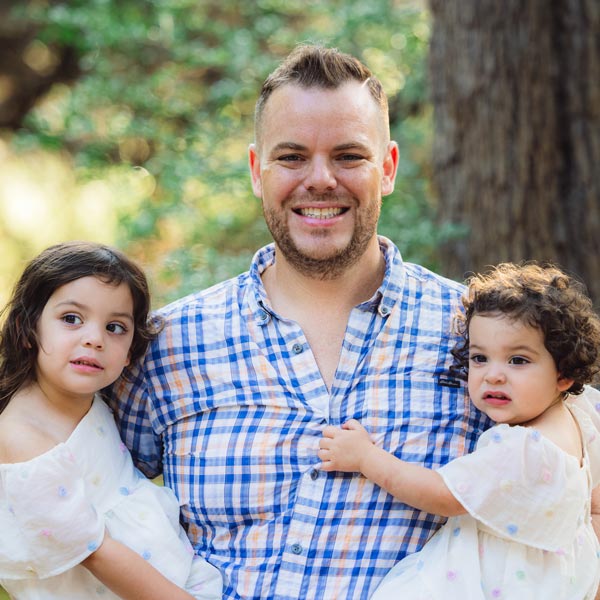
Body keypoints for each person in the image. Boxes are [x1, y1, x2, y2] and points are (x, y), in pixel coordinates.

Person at [106, 44, 600, 599]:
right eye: (292, 157)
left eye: (348, 156)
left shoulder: (487, 337)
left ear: (386, 168)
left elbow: (584, 500)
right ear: (256, 170)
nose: (320, 180)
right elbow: (72, 483)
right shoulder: (169, 344)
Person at [319, 262, 600, 599]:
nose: (493, 375)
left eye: (518, 361)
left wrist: (366, 458)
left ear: (564, 373)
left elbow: (441, 495)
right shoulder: (584, 415)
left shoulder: (522, 448)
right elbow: (594, 503)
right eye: (480, 358)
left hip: (487, 583)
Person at [0, 242, 222, 600]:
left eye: (115, 327)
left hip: (168, 572)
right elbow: (96, 553)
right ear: (29, 329)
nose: (94, 339)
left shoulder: (96, 398)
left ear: (131, 350)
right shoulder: (23, 437)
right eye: (71, 319)